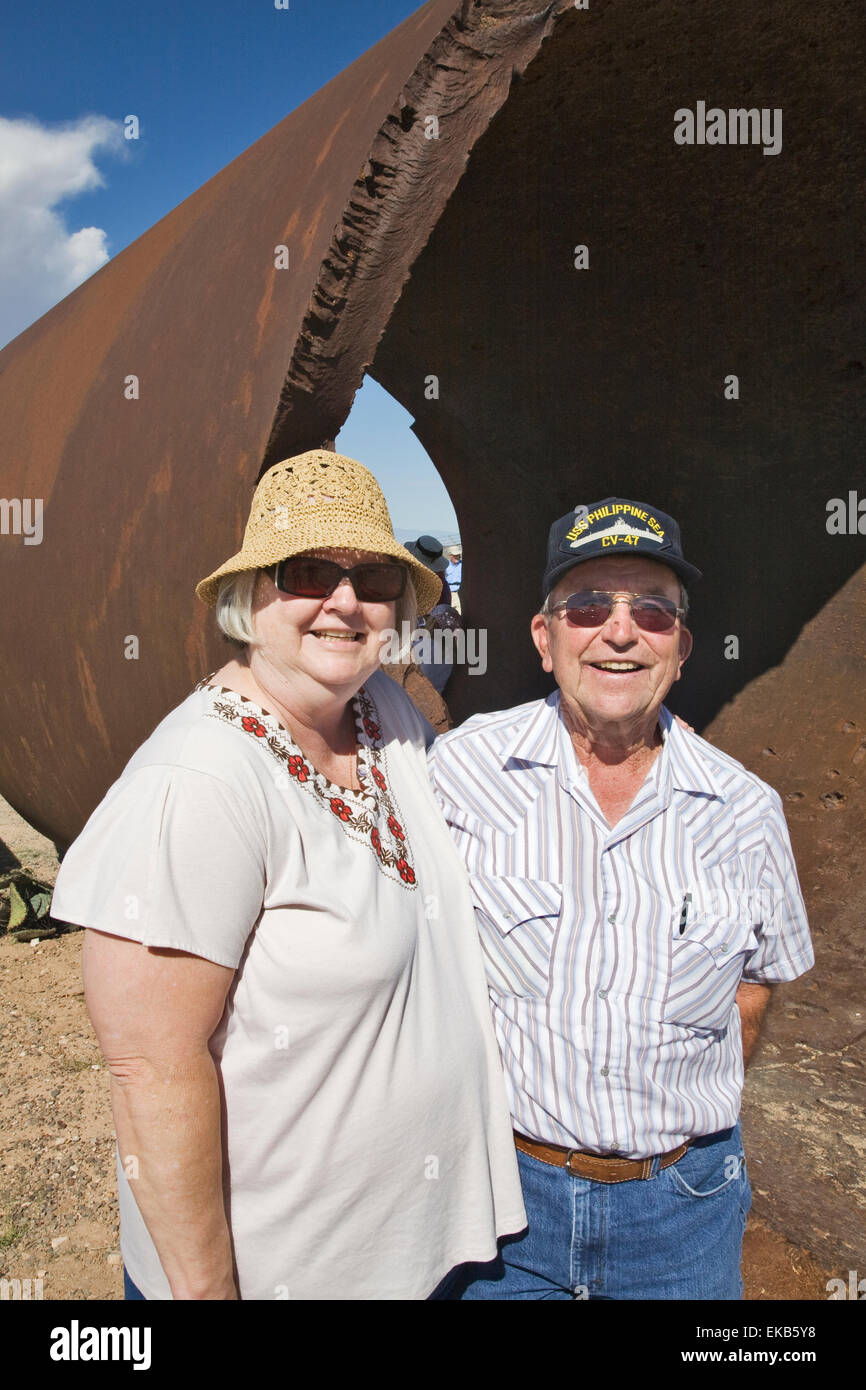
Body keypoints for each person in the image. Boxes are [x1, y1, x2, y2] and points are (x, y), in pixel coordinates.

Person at [51, 450, 525, 1301]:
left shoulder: (383, 712)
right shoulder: (197, 783)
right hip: (289, 1274)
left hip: (420, 1247)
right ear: (249, 597)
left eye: (372, 577)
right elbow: (152, 1069)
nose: (343, 601)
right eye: (307, 571)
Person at [428, 496, 814, 1300]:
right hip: (502, 1205)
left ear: (682, 648)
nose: (620, 630)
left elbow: (754, 989)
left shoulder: (747, 812)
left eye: (652, 611)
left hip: (682, 1216)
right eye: (588, 606)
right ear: (545, 639)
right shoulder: (458, 774)